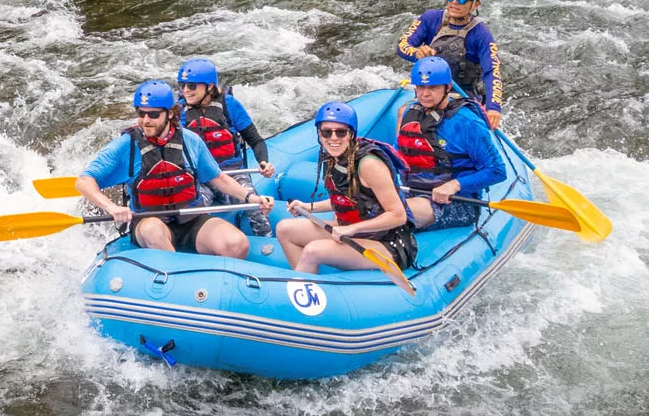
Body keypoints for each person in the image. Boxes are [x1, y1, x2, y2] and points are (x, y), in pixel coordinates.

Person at [76, 80, 272, 257]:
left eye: (153, 114)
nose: (145, 120)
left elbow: (218, 178)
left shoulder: (190, 140)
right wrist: (112, 207)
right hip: (149, 220)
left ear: (170, 113)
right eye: (140, 113)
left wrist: (251, 198)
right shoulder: (125, 146)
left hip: (191, 219)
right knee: (154, 231)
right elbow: (84, 181)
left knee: (237, 244)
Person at [277, 101, 420, 275]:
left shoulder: (369, 164)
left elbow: (397, 215)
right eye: (326, 132)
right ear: (319, 134)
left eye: (341, 132)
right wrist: (310, 207)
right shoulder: (332, 157)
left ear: (351, 134)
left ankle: (302, 288)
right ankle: (309, 286)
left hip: (387, 243)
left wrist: (353, 229)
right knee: (284, 229)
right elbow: (347, 199)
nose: (333, 138)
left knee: (313, 250)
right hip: (353, 231)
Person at [395, 56, 508, 230]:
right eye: (420, 87)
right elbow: (399, 154)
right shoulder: (411, 113)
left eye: (432, 88)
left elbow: (497, 170)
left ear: (448, 87)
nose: (425, 94)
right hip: (411, 191)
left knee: (392, 216)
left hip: (457, 203)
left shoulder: (468, 123)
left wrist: (454, 186)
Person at [175, 58, 277, 236]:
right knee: (189, 211)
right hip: (200, 179)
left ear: (209, 87)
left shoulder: (229, 105)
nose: (185, 91)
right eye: (182, 85)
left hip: (232, 175)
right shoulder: (179, 112)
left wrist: (263, 162)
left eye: (191, 86)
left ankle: (267, 240)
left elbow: (256, 141)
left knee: (254, 205)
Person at [395, 0, 504, 129]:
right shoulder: (430, 18)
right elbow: (402, 45)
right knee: (403, 113)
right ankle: (400, 151)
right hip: (428, 90)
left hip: (461, 96)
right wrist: (416, 52)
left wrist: (493, 108)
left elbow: (492, 71)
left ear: (475, 4)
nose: (454, 2)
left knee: (456, 125)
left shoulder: (481, 35)